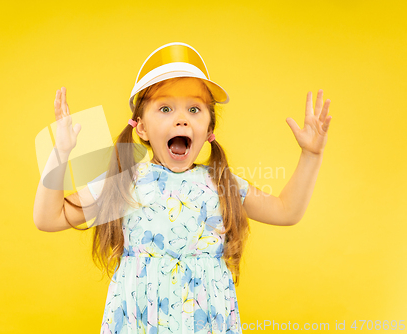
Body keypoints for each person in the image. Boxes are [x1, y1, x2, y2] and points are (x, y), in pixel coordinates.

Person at [33, 42, 332, 333]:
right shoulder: (124, 181)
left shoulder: (222, 183)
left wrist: (311, 155)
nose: (181, 119)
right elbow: (48, 218)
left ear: (209, 130)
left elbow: (287, 211)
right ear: (141, 127)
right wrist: (60, 152)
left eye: (194, 109)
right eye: (165, 108)